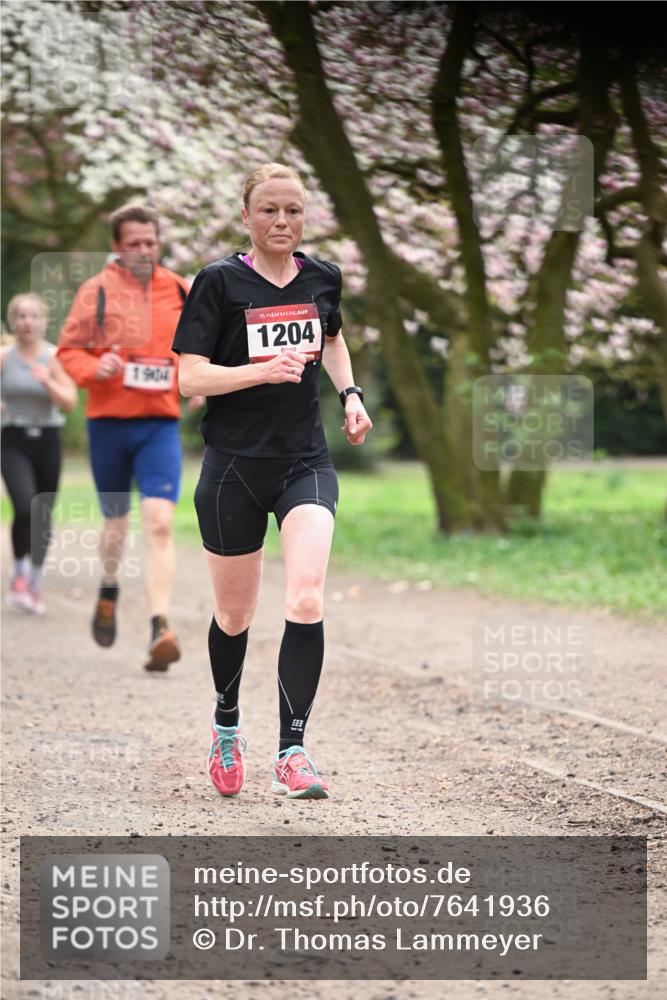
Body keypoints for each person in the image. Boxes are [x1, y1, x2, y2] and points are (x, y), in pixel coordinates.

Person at [173, 163, 373, 800]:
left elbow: (333, 340)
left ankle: (293, 750)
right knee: (235, 615)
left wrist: (349, 394)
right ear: (247, 217)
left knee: (307, 597)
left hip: (304, 463)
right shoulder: (219, 282)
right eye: (269, 211)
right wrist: (259, 371)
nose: (282, 222)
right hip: (232, 466)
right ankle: (227, 726)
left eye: (293, 210)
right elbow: (191, 379)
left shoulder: (323, 277)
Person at [57, 205, 204, 671]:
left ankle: (160, 626)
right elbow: (67, 353)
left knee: (160, 522)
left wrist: (195, 381)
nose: (144, 250)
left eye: (151, 241)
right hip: (109, 425)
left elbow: (203, 349)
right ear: (117, 246)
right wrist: (93, 368)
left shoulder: (182, 289)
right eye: (134, 243)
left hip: (159, 425)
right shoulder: (95, 292)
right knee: (117, 525)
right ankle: (109, 584)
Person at [1, 293, 77, 614]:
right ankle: (18, 574)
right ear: (13, 321)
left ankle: (34, 581)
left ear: (43, 322)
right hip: (13, 438)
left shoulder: (54, 356)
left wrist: (49, 383)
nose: (27, 322)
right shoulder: (5, 357)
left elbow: (70, 402)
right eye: (21, 316)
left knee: (42, 510)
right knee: (24, 504)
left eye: (33, 316)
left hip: (47, 439)